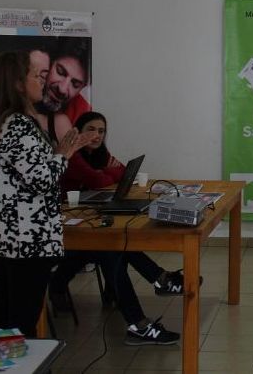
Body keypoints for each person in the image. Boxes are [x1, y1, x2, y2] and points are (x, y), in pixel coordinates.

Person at [0, 50, 90, 336]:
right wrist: (63, 154)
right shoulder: (18, 125)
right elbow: (42, 180)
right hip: (26, 242)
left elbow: (28, 173)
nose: (43, 82)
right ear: (17, 83)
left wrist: (64, 152)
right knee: (20, 325)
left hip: (11, 241)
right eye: (36, 76)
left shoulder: (4, 122)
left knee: (5, 321)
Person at [51, 111, 184, 345]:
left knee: (113, 245)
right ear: (77, 131)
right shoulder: (72, 155)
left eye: (101, 131)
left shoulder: (99, 154)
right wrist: (104, 174)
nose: (96, 135)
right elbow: (98, 180)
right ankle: (143, 311)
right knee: (110, 249)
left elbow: (122, 171)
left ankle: (146, 305)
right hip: (63, 232)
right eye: (91, 129)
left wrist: (105, 173)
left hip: (85, 222)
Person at [36, 37, 92, 142]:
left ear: (83, 87)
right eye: (60, 72)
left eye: (75, 84)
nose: (62, 89)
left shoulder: (84, 117)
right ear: (49, 63)